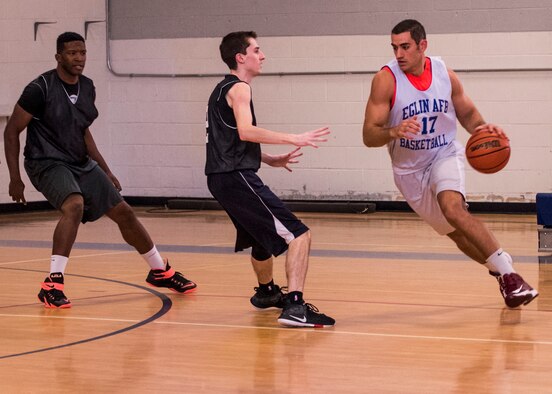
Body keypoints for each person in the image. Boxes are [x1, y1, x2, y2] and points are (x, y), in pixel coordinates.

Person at [4, 32, 196, 309]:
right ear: (59, 57)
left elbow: (83, 131)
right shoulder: (40, 88)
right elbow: (12, 132)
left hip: (79, 162)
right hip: (45, 161)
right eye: (72, 53)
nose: (79, 58)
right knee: (74, 205)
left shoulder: (88, 87)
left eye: (82, 52)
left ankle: (159, 270)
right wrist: (15, 178)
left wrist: (105, 169)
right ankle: (52, 285)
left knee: (124, 212)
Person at [362, 19, 538, 308]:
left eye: (405, 47)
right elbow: (368, 135)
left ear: (423, 45)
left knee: (453, 210)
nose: (399, 54)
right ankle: (502, 271)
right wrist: (392, 131)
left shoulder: (445, 74)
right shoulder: (385, 80)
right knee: (456, 234)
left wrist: (483, 129)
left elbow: (468, 113)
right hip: (409, 171)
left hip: (444, 153)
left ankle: (511, 277)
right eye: (394, 48)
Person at [205, 31, 335, 327]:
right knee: (299, 235)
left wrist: (267, 159)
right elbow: (245, 132)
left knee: (259, 236)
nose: (262, 56)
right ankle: (296, 307)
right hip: (235, 176)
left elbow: (228, 141)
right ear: (241, 57)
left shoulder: (220, 89)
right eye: (257, 50)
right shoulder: (239, 89)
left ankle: (266, 293)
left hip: (221, 177)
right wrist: (294, 137)